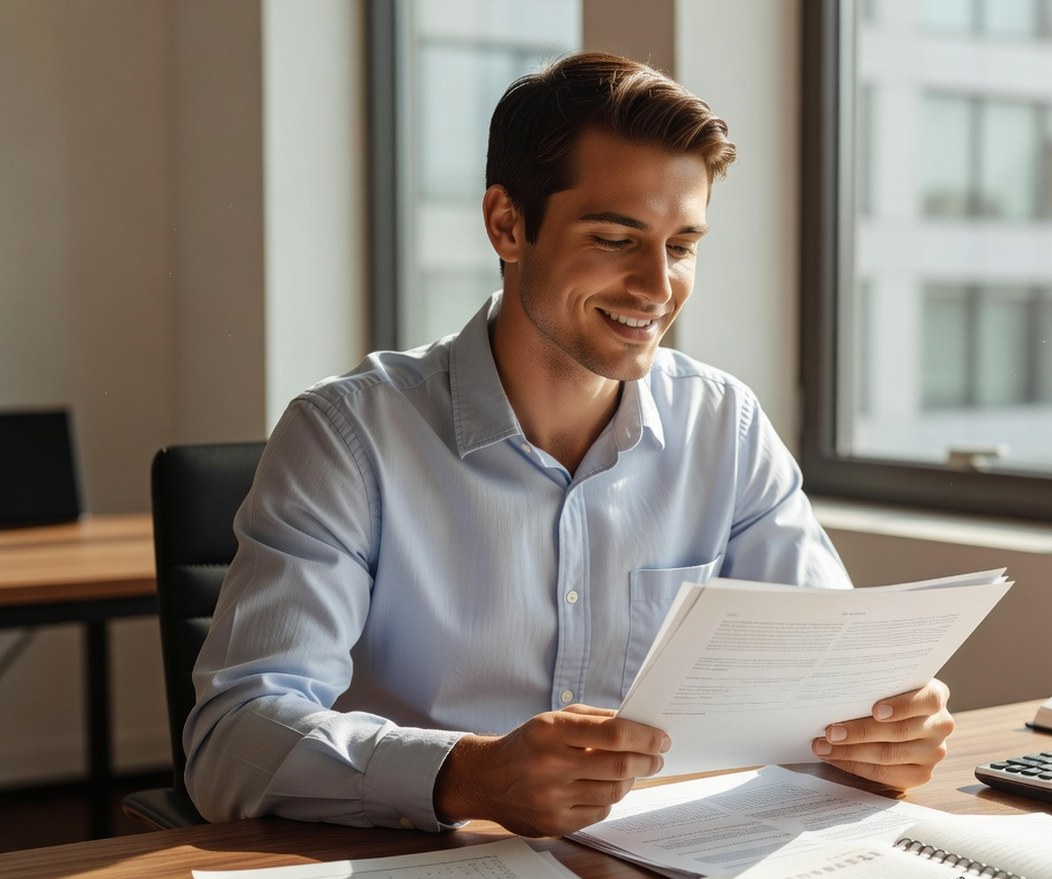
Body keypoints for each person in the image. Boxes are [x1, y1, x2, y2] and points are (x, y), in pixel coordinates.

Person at [183, 51, 953, 838]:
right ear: (508, 224)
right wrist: (468, 776)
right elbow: (232, 739)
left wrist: (884, 726)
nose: (658, 289)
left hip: (663, 874)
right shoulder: (349, 438)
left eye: (681, 246)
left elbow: (831, 673)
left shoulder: (726, 425)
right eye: (617, 239)